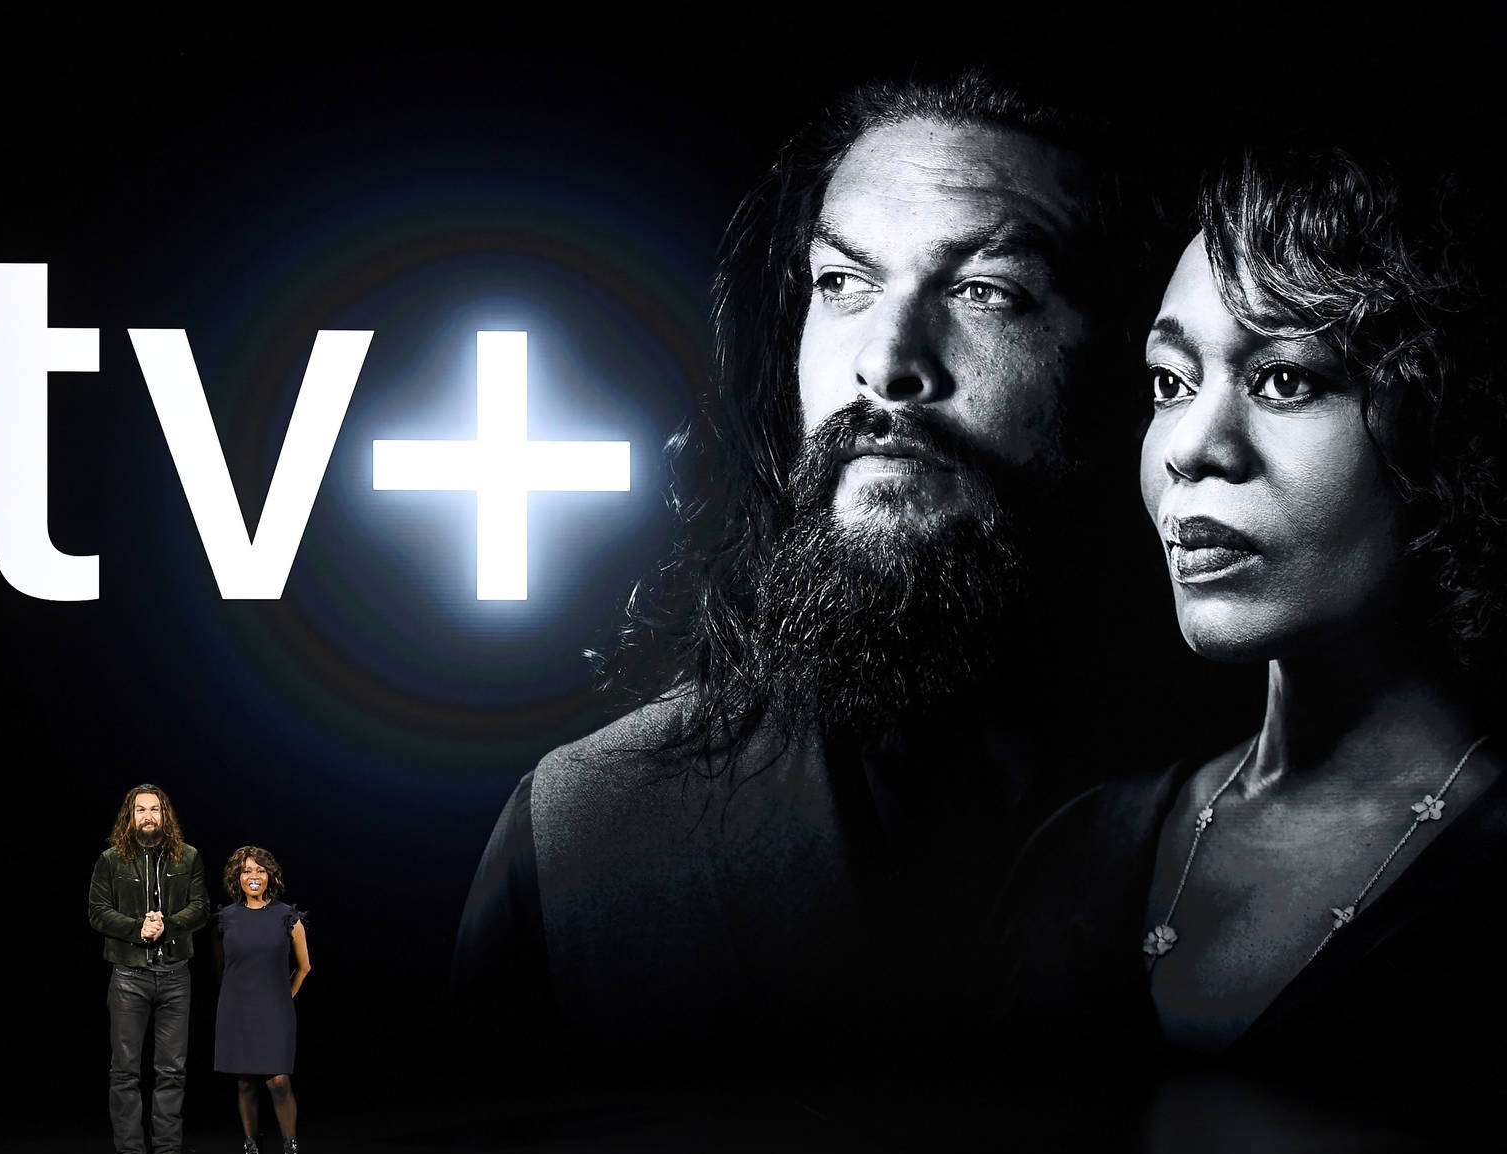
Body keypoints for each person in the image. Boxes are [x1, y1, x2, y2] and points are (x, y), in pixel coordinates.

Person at [454, 70, 1177, 1068]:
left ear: (1136, 359)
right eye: (841, 283)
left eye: (985, 292)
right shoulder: (588, 832)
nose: (884, 363)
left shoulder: (1286, 812)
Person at [1000, 143, 1503, 1093]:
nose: (1193, 446)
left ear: (1442, 423)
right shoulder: (1076, 856)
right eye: (1170, 381)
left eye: (1285, 380)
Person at [89, 784, 213, 1154]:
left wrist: (168, 925)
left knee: (171, 1072)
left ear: (165, 816)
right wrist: (136, 929)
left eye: (154, 810)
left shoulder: (188, 856)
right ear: (130, 816)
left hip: (175, 976)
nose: (147, 816)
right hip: (128, 977)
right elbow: (97, 912)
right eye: (140, 810)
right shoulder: (110, 860)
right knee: (124, 1073)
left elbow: (201, 907)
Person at [213, 846, 311, 1154]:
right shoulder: (225, 918)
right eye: (246, 871)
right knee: (244, 1083)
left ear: (270, 876)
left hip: (275, 1011)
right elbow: (223, 967)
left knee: (279, 1082)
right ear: (236, 878)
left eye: (260, 870)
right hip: (236, 1010)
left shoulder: (287, 916)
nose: (253, 876)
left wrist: (284, 998)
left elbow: (304, 967)